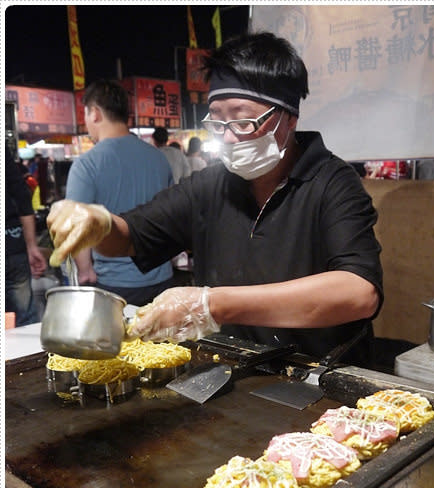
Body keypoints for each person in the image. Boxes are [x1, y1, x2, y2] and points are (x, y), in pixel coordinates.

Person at [47, 32, 383, 367]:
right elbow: (128, 237)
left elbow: (359, 292)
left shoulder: (333, 182)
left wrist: (212, 305)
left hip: (316, 373)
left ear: (289, 118)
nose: (229, 136)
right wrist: (98, 224)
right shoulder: (211, 185)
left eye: (242, 119)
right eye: (217, 120)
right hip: (230, 370)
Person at [66, 79, 174, 305]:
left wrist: (85, 271)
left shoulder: (87, 164)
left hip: (115, 285)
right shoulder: (159, 159)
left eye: (85, 115)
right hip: (162, 280)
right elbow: (172, 216)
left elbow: (76, 226)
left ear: (95, 113)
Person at [5, 144, 47, 326]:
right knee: (25, 321)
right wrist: (31, 246)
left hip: (12, 247)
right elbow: (22, 197)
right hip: (12, 242)